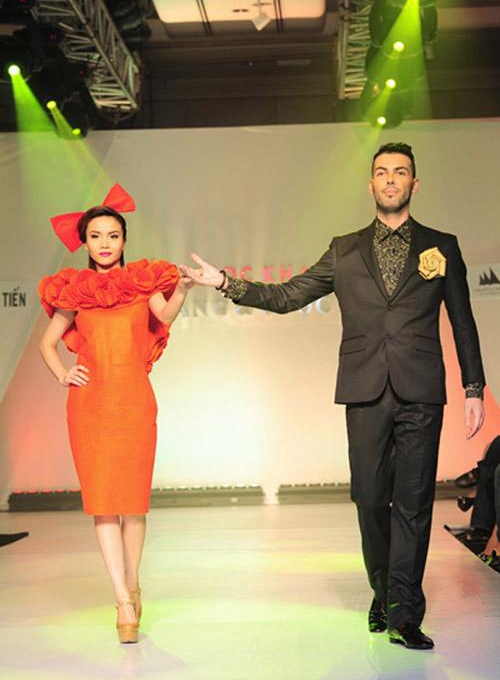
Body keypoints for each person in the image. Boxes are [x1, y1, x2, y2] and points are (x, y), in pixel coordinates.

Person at [181, 142, 486, 650]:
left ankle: (404, 613)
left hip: (421, 390)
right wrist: (226, 283)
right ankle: (383, 590)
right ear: (370, 184)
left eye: (401, 172)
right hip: (365, 389)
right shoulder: (344, 249)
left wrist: (473, 387)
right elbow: (288, 295)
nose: (391, 179)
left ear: (415, 183)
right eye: (382, 172)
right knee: (370, 499)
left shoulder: (442, 246)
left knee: (413, 503)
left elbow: (462, 322)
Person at [39, 184, 192, 644]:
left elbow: (165, 315)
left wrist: (184, 288)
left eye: (112, 235)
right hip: (90, 407)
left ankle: (133, 582)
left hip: (134, 403)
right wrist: (64, 374)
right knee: (103, 506)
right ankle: (123, 599)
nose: (104, 244)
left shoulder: (141, 283)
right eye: (95, 236)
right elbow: (48, 343)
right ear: (85, 243)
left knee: (134, 506)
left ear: (124, 240)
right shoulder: (76, 290)